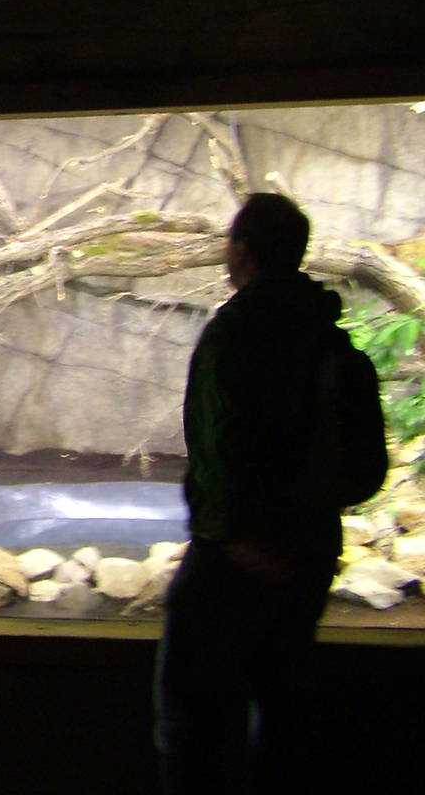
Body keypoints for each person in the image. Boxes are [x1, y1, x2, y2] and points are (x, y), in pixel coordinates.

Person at [154, 192, 346, 792]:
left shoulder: (234, 332)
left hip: (235, 557)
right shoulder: (326, 331)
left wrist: (234, 534)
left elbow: (219, 442)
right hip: (306, 552)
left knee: (190, 714)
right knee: (284, 710)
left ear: (241, 250)